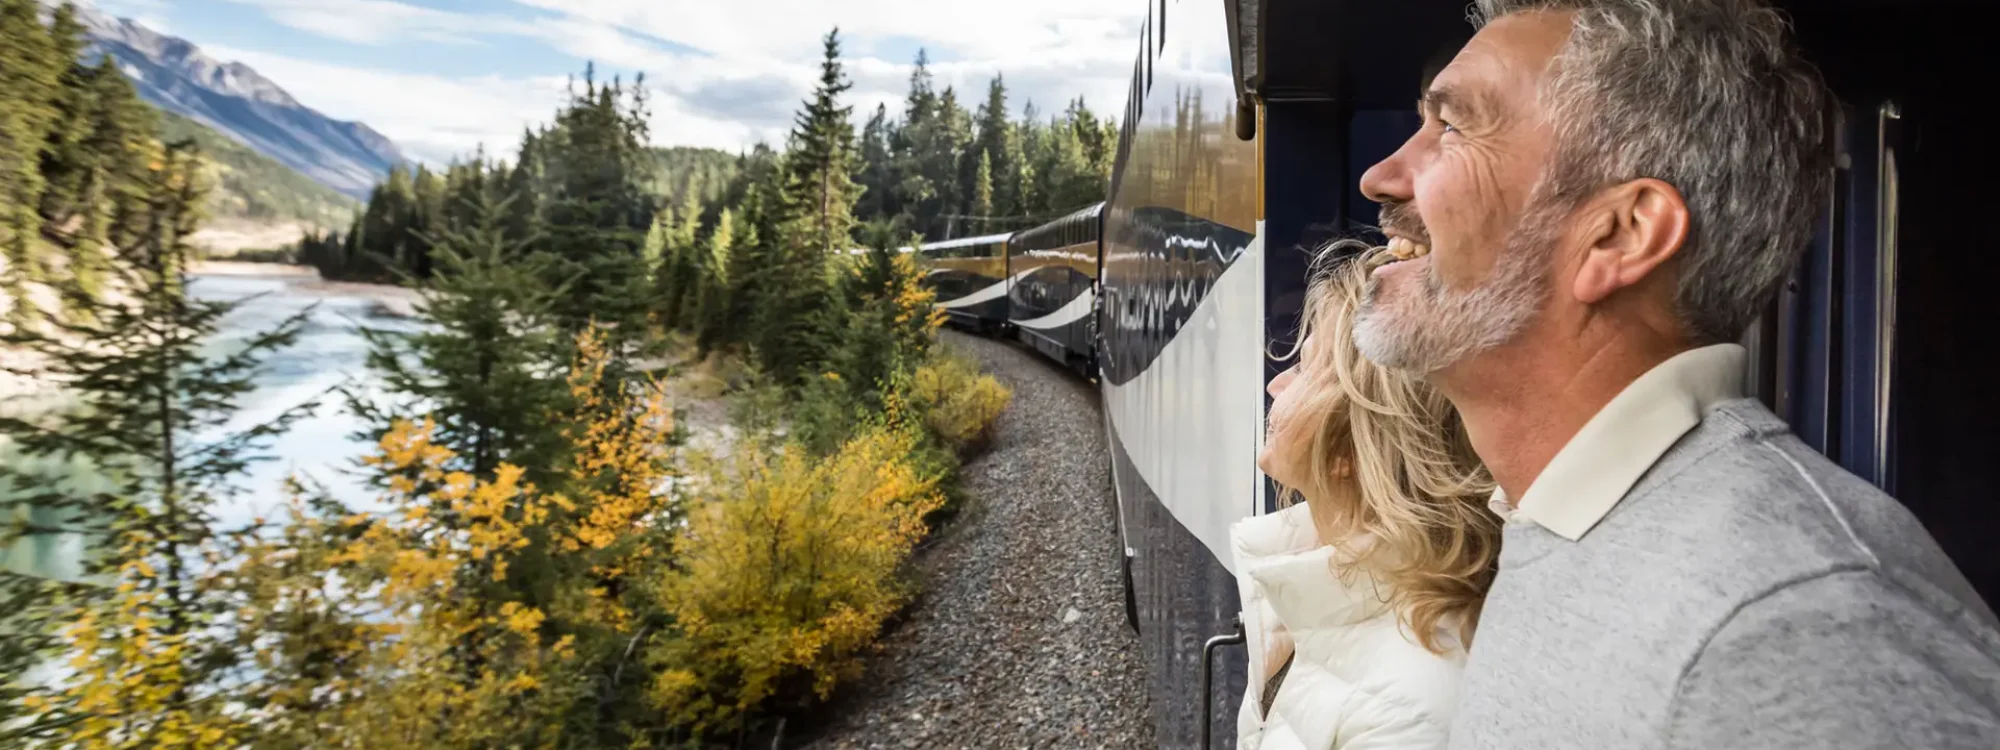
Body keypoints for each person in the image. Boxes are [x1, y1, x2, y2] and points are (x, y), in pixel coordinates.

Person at [1351, 1, 2000, 748]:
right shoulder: (1567, 530)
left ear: (1620, 237)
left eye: (1454, 126)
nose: (1382, 177)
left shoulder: (1793, 624)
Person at [1236, 250, 1498, 750]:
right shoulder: (1320, 593)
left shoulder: (1411, 715)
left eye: (1306, 369)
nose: (1277, 384)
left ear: (1348, 448)